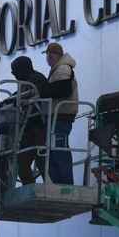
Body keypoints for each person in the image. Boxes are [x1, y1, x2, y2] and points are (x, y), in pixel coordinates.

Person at [2, 56, 47, 185]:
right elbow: (14, 97)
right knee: (21, 162)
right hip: (27, 129)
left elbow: (41, 92)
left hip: (39, 126)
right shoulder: (24, 84)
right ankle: (29, 186)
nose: (14, 75)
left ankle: (50, 185)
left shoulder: (37, 79)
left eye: (15, 71)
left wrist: (26, 100)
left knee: (42, 160)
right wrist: (2, 104)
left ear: (23, 69)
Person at [38, 42, 79, 184]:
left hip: (60, 116)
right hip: (58, 116)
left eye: (50, 54)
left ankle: (64, 183)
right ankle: (60, 182)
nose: (48, 57)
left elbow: (63, 88)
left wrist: (42, 94)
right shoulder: (60, 68)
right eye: (47, 55)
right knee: (55, 150)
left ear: (55, 55)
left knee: (58, 150)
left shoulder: (62, 68)